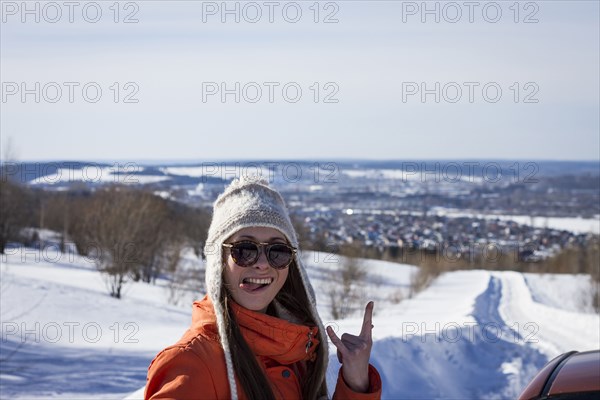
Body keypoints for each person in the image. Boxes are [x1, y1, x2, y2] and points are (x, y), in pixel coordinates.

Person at [145, 175, 382, 399]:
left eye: (277, 251)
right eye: (244, 250)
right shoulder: (189, 364)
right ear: (219, 261)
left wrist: (356, 381)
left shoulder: (297, 349)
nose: (261, 264)